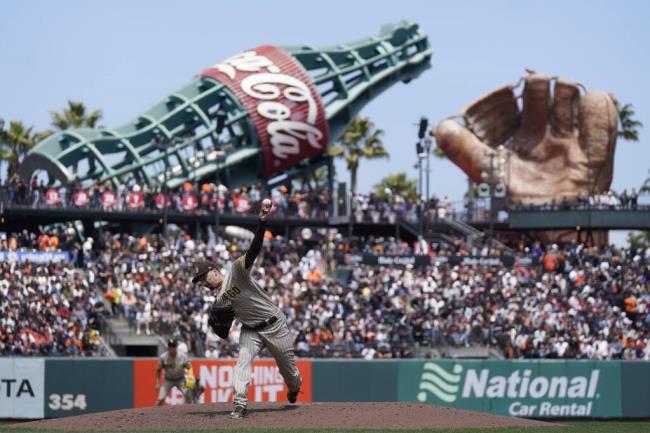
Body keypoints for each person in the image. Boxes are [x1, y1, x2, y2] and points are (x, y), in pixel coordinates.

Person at [192, 199, 302, 419]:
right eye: (199, 281)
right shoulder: (218, 299)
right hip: (251, 329)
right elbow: (223, 332)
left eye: (202, 278)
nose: (202, 283)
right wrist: (217, 324)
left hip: (274, 324)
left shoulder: (236, 271)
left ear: (213, 271)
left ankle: (294, 387)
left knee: (289, 373)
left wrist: (261, 223)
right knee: (242, 361)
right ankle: (239, 404)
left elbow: (254, 250)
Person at [155, 337, 193, 406]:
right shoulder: (163, 357)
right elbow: (158, 370)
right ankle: (153, 415)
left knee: (188, 396)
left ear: (176, 347)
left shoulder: (182, 356)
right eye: (170, 346)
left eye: (173, 346)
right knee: (160, 398)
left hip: (180, 379)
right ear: (168, 347)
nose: (172, 348)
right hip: (168, 380)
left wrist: (190, 377)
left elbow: (189, 367)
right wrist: (157, 383)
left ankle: (193, 413)